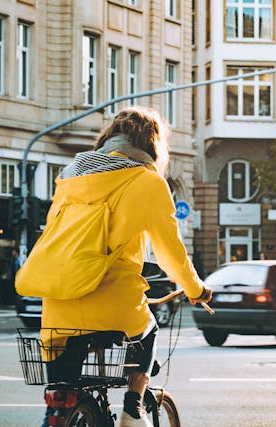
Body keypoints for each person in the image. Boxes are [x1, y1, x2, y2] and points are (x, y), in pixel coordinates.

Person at [39, 106, 212, 426]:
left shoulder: (69, 174)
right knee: (147, 332)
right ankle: (133, 410)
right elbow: (169, 252)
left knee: (62, 390)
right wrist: (195, 289)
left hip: (57, 300)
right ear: (152, 145)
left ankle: (59, 412)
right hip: (112, 298)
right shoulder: (148, 182)